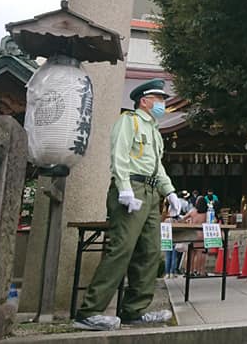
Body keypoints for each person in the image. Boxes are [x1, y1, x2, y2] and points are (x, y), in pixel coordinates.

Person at [73, 79, 181, 331]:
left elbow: (157, 167)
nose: (162, 104)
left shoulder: (154, 129)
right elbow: (119, 155)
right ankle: (89, 312)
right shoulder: (129, 121)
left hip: (151, 192)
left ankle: (134, 310)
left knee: (150, 252)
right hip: (132, 188)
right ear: (144, 101)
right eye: (159, 99)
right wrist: (123, 187)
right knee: (121, 249)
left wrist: (170, 192)